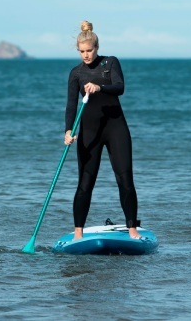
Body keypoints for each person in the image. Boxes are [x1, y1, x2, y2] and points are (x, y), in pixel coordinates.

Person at [64, 20, 141, 240]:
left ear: (96, 48)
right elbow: (71, 105)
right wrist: (68, 130)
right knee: (85, 182)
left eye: (89, 51)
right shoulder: (76, 73)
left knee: (125, 179)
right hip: (89, 132)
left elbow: (120, 88)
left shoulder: (110, 63)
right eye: (82, 52)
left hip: (116, 129)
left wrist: (100, 87)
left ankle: (132, 229)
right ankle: (78, 233)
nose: (86, 55)